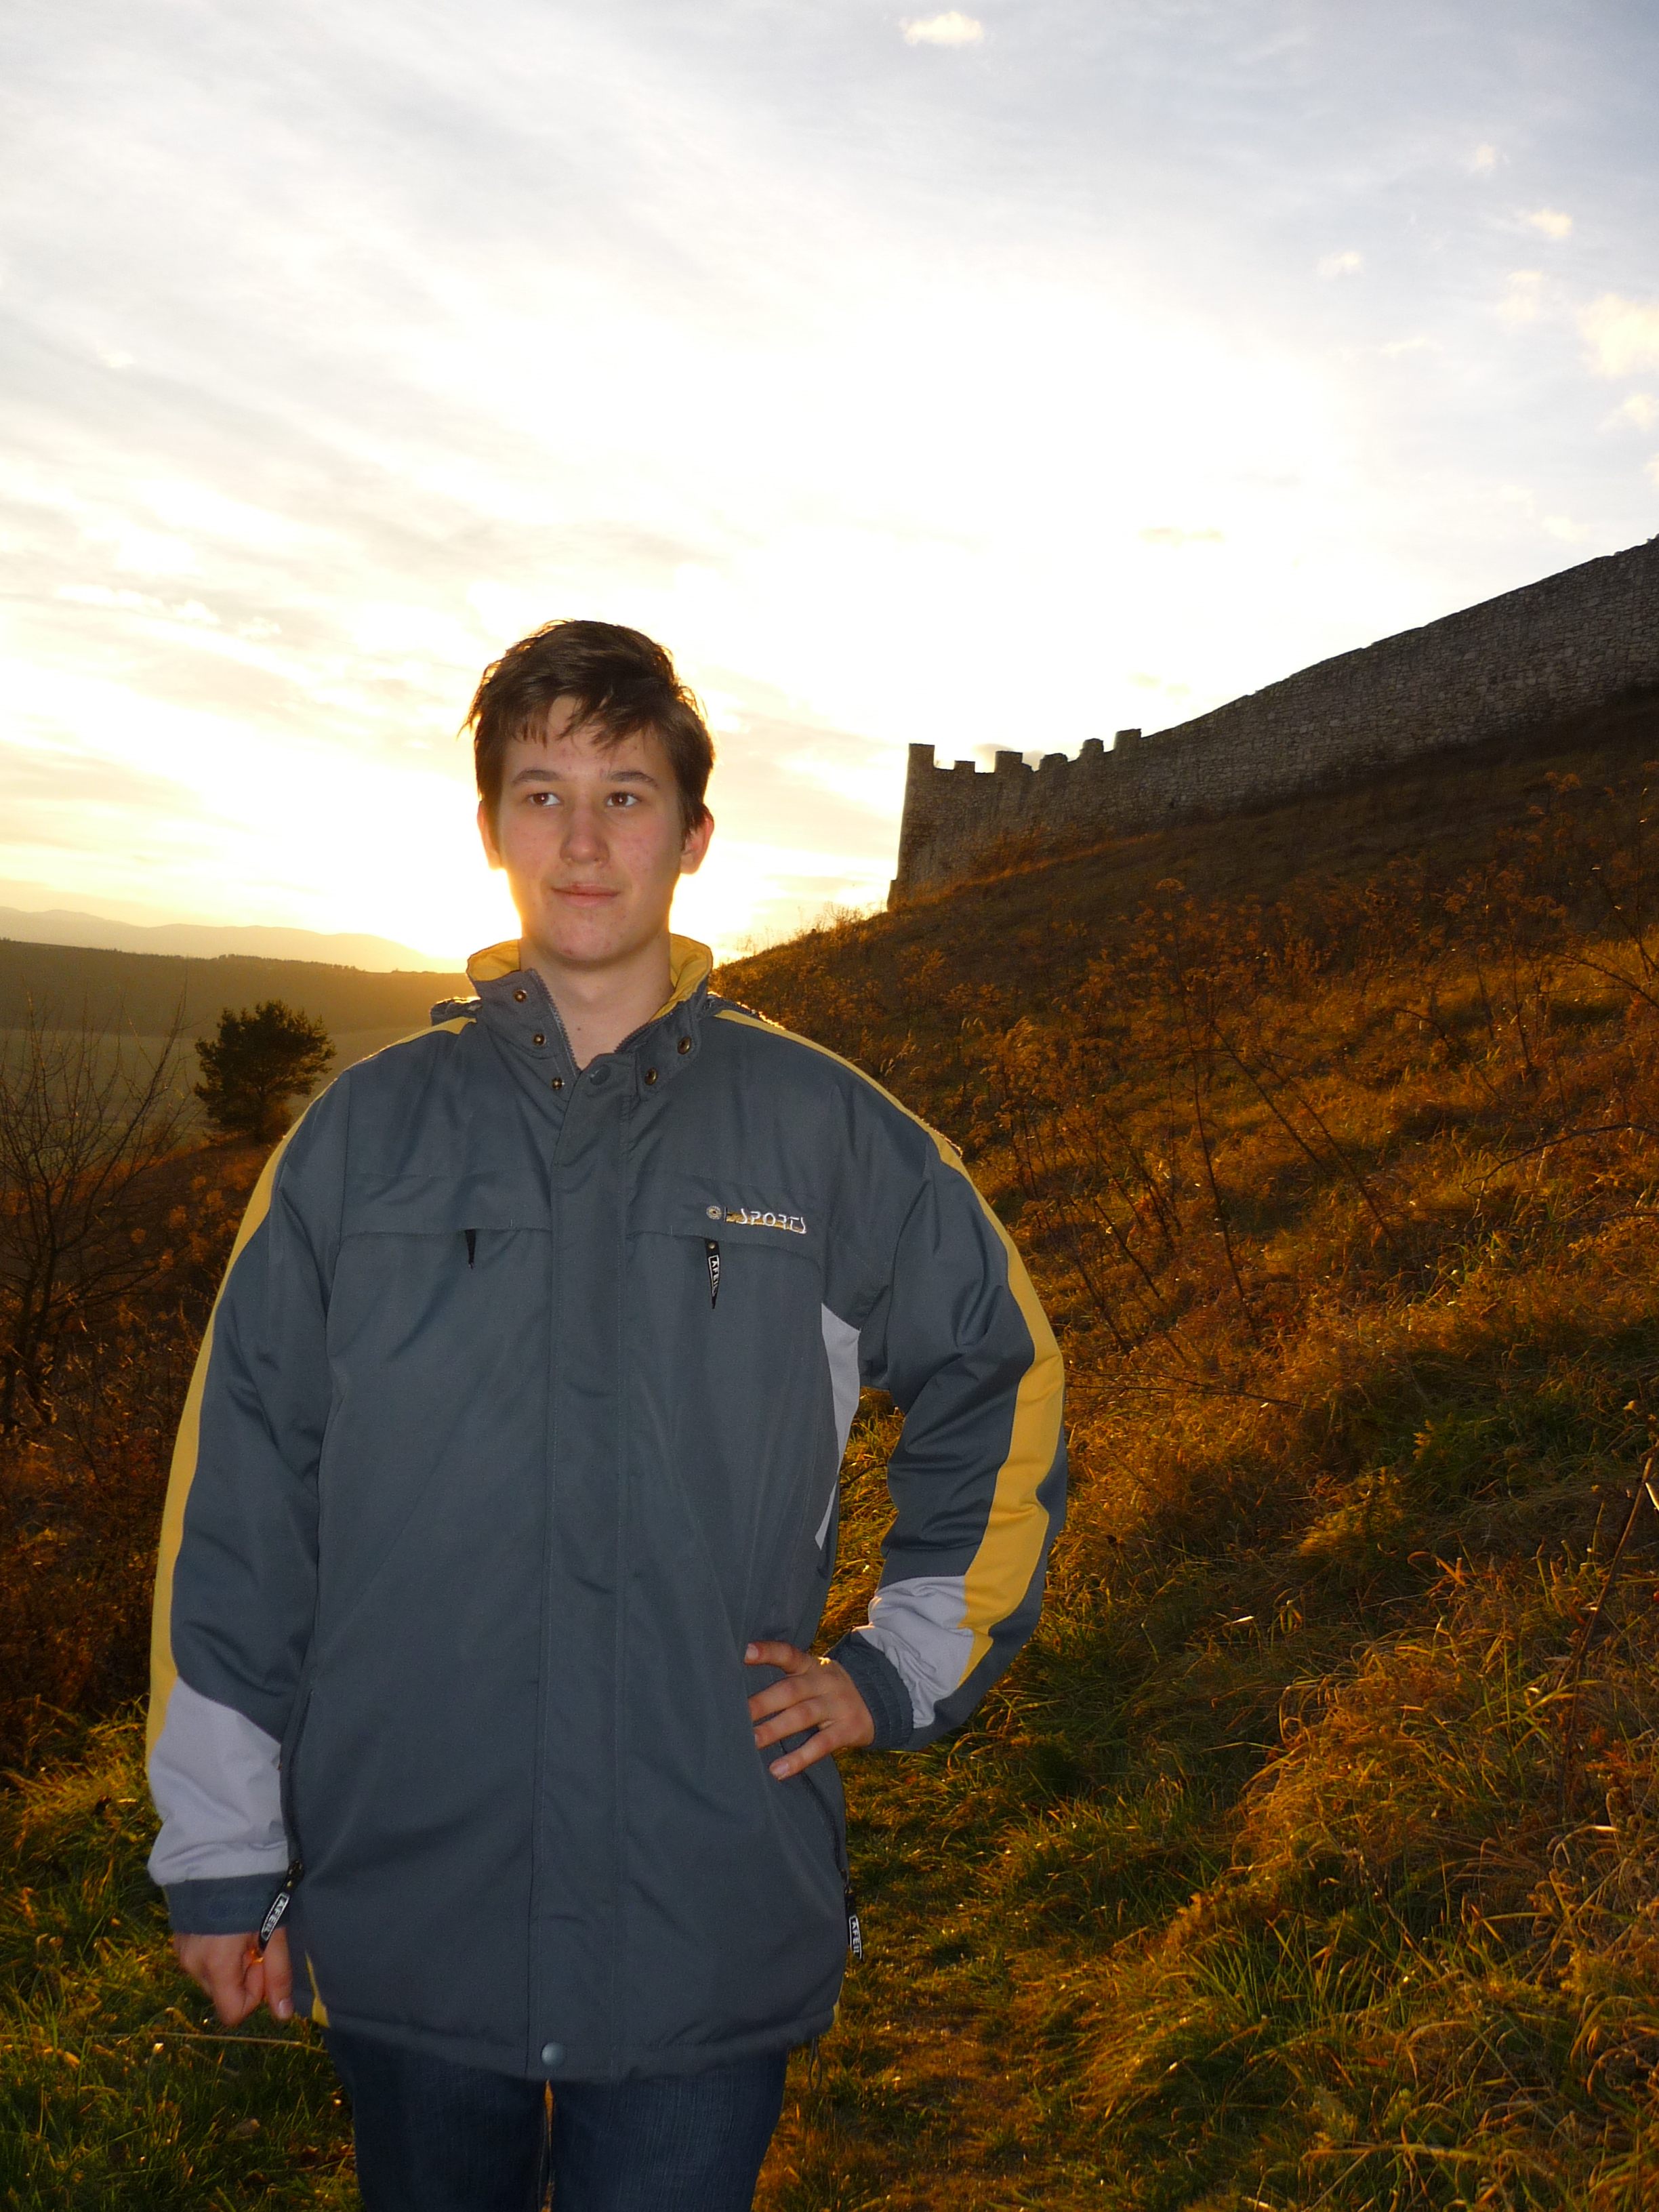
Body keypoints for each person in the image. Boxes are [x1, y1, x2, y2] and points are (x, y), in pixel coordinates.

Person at [147, 619, 1066, 2211]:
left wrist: (898, 1665)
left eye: (627, 796)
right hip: (415, 1901)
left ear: (694, 836)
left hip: (705, 1905)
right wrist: (222, 1851)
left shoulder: (823, 1133)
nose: (584, 841)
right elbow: (238, 1502)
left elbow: (1005, 1370)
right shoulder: (358, 1143)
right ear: (491, 828)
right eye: (543, 794)